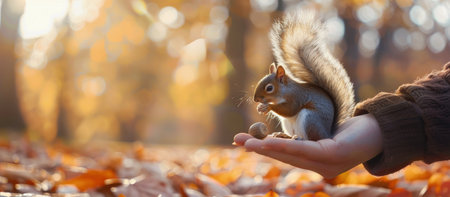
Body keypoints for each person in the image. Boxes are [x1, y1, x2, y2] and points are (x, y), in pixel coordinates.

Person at [234, 62, 450, 178]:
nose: (262, 97)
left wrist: (271, 105)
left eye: (269, 90)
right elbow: (288, 113)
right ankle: (296, 137)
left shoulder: (293, 95)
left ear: (282, 78)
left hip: (315, 117)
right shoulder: (286, 95)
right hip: (305, 119)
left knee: (306, 114)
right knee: (295, 118)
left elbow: (291, 110)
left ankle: (305, 138)